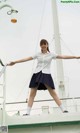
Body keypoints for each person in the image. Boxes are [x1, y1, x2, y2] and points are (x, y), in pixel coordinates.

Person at [7, 39, 80, 115]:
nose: (43, 46)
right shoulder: (38, 54)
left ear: (47, 45)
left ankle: (64, 109)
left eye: (44, 44)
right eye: (41, 44)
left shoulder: (51, 54)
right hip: (37, 74)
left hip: (46, 74)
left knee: (52, 92)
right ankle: (27, 112)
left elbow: (63, 56)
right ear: (40, 46)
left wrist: (75, 57)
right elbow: (26, 58)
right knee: (32, 94)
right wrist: (15, 62)